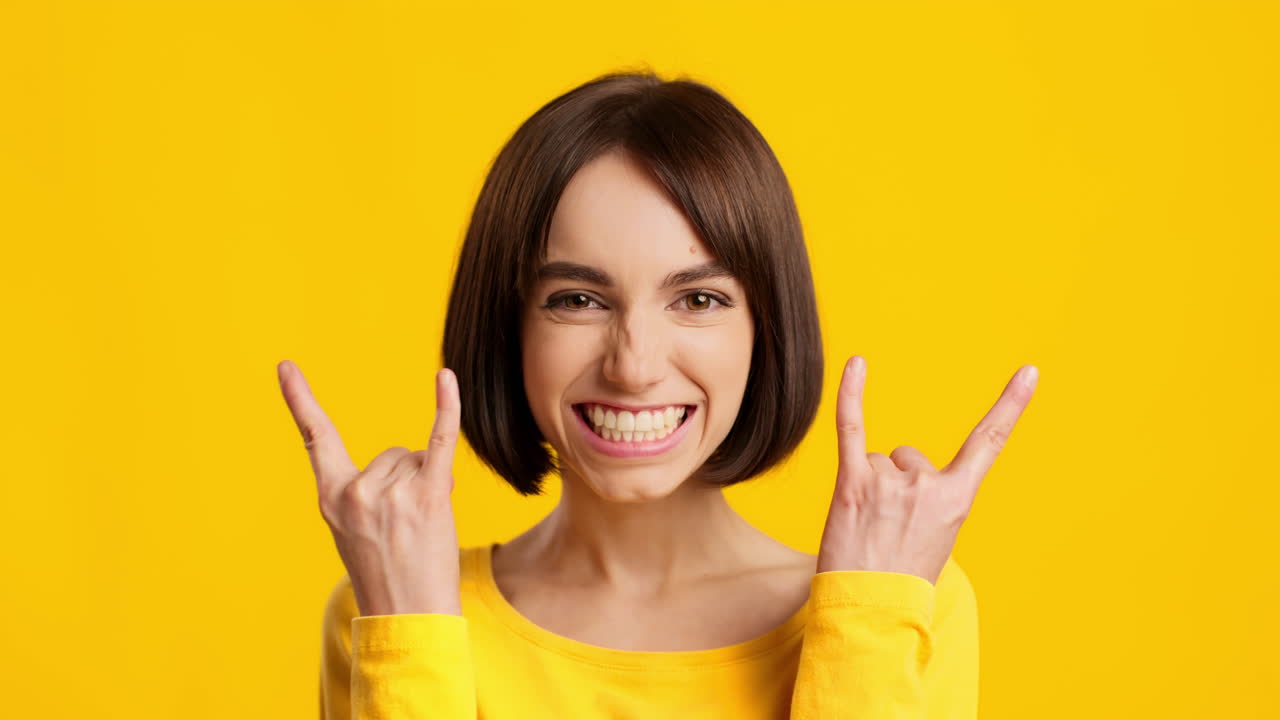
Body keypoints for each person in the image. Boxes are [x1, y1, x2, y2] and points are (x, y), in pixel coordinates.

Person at [279, 69, 1036, 719]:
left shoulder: (905, 602)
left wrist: (870, 624)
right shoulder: (390, 606)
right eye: (577, 299)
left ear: (766, 327)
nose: (633, 365)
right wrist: (408, 632)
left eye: (698, 300)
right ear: (506, 325)